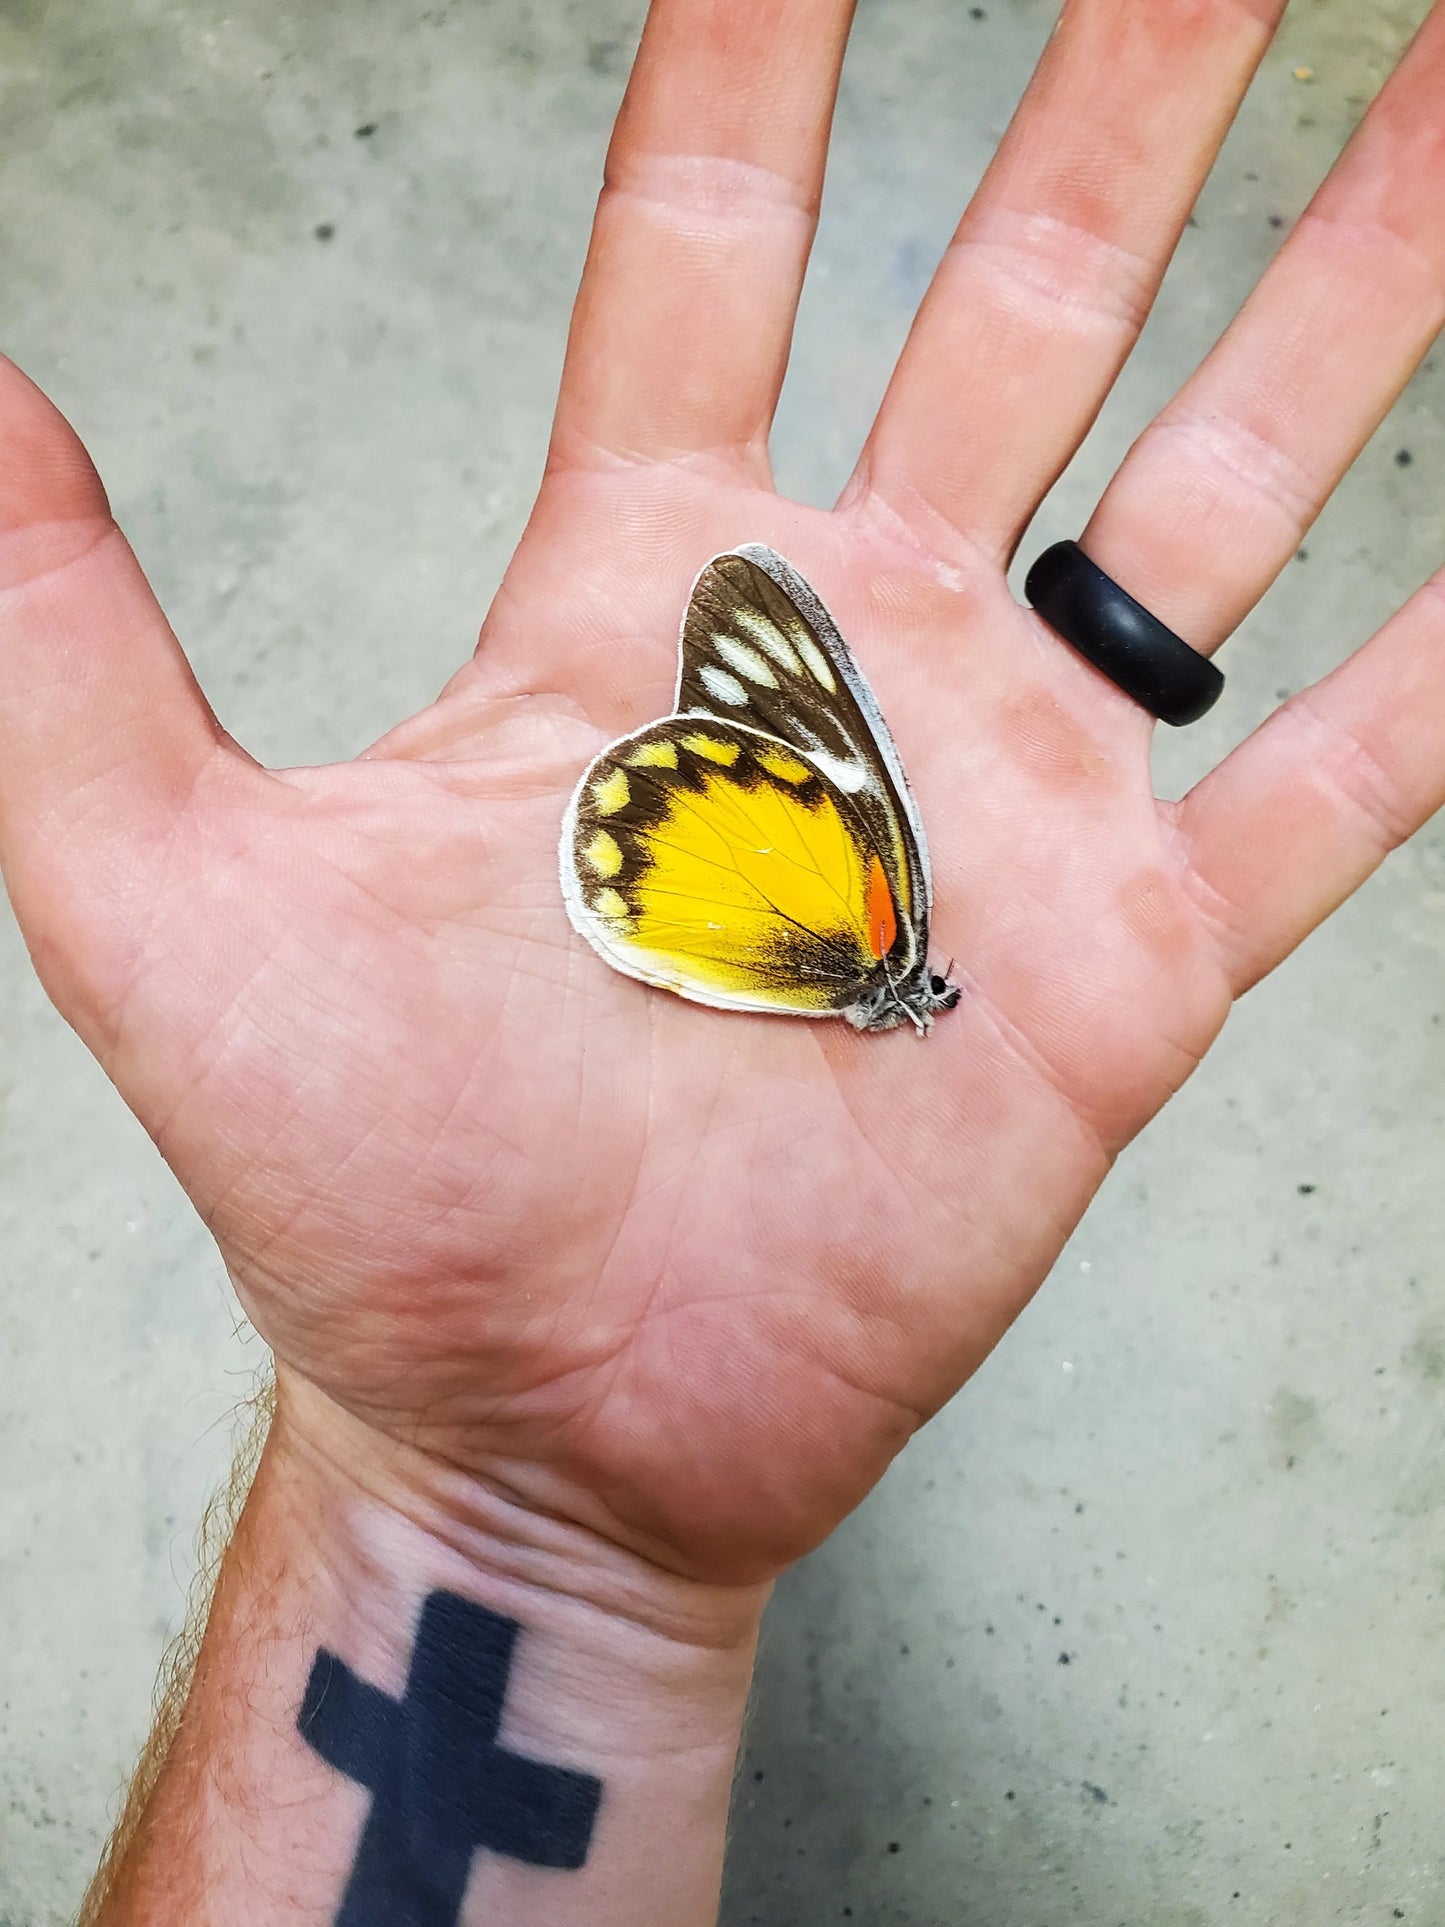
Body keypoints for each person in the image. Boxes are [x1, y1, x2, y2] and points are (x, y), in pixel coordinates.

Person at [1, 0, 1440, 1919]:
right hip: (715, 875)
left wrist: (476, 1517)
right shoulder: (867, 929)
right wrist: (474, 1498)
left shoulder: (886, 969)